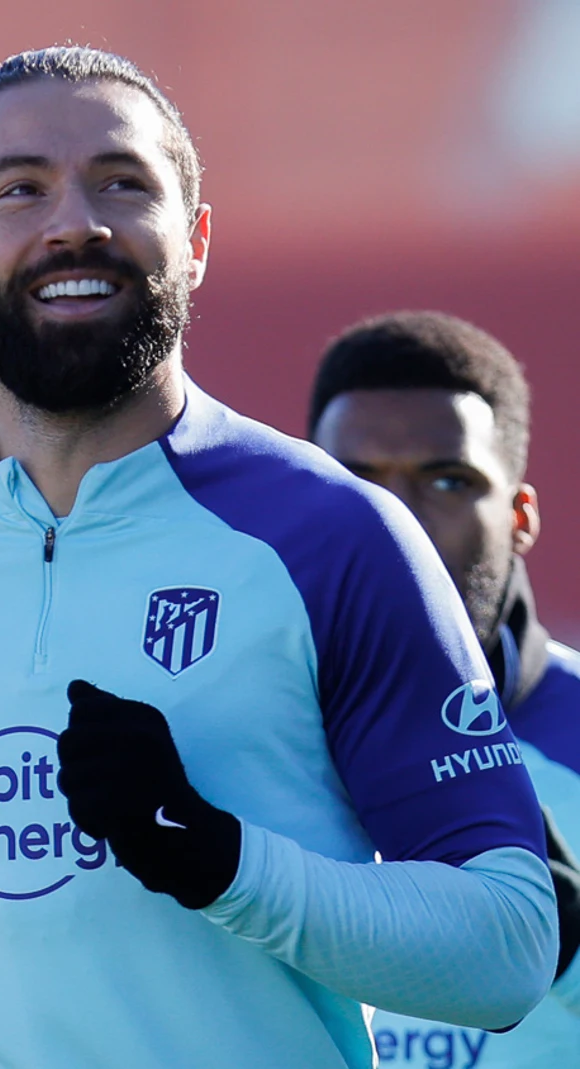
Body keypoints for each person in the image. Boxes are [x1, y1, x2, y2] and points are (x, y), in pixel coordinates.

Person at [0, 47, 555, 1069]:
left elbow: (506, 948)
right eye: (20, 188)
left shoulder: (331, 536)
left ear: (194, 241)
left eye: (121, 183)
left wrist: (218, 859)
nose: (72, 223)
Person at [309, 311, 580, 1068]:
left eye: (447, 480)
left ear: (520, 516)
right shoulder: (220, 733)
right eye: (356, 483)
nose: (398, 522)